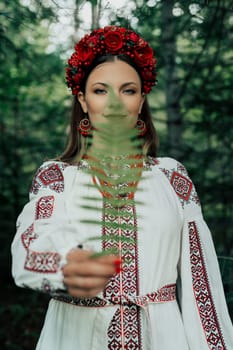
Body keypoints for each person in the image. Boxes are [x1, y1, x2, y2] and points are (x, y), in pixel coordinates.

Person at [11, 25, 233, 350]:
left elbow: (201, 285)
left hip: (163, 338)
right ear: (82, 100)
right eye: (101, 90)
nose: (114, 102)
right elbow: (31, 243)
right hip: (76, 338)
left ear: (142, 100)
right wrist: (67, 263)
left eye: (128, 90)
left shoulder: (172, 177)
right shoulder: (57, 178)